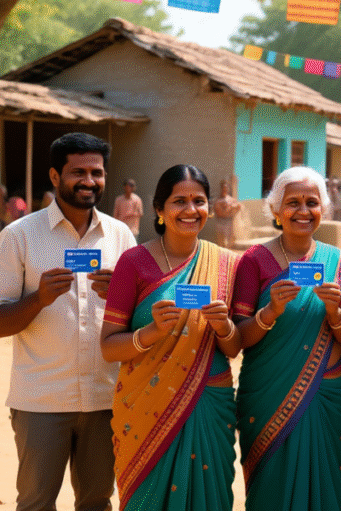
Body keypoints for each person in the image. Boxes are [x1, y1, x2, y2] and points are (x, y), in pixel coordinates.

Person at [0, 132, 136, 511]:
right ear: (54, 176)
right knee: (35, 502)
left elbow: (139, 316)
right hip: (41, 401)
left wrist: (122, 295)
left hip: (104, 398)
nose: (88, 181)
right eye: (77, 172)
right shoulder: (19, 236)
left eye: (96, 172)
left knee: (97, 501)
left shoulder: (121, 235)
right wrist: (39, 299)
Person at [100, 165, 241, 511]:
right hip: (145, 406)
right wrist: (150, 332)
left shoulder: (226, 263)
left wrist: (223, 325)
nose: (191, 210)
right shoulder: (134, 263)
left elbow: (234, 347)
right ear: (160, 210)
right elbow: (108, 346)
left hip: (208, 401)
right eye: (180, 201)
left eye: (199, 201)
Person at [231, 167, 341, 511]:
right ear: (275, 210)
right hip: (269, 393)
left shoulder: (340, 263)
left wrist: (335, 313)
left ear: (323, 209)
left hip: (325, 395)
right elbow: (238, 337)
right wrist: (269, 311)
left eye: (311, 202)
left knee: (325, 487)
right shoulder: (254, 261)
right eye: (293, 203)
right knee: (271, 489)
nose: (303, 211)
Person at [212, 179, 243, 249]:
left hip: (229, 224)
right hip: (221, 224)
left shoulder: (231, 199)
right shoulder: (218, 200)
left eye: (226, 188)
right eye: (223, 188)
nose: (225, 189)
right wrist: (229, 210)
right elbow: (220, 213)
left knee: (229, 244)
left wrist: (232, 209)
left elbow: (238, 207)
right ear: (221, 189)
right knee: (221, 244)